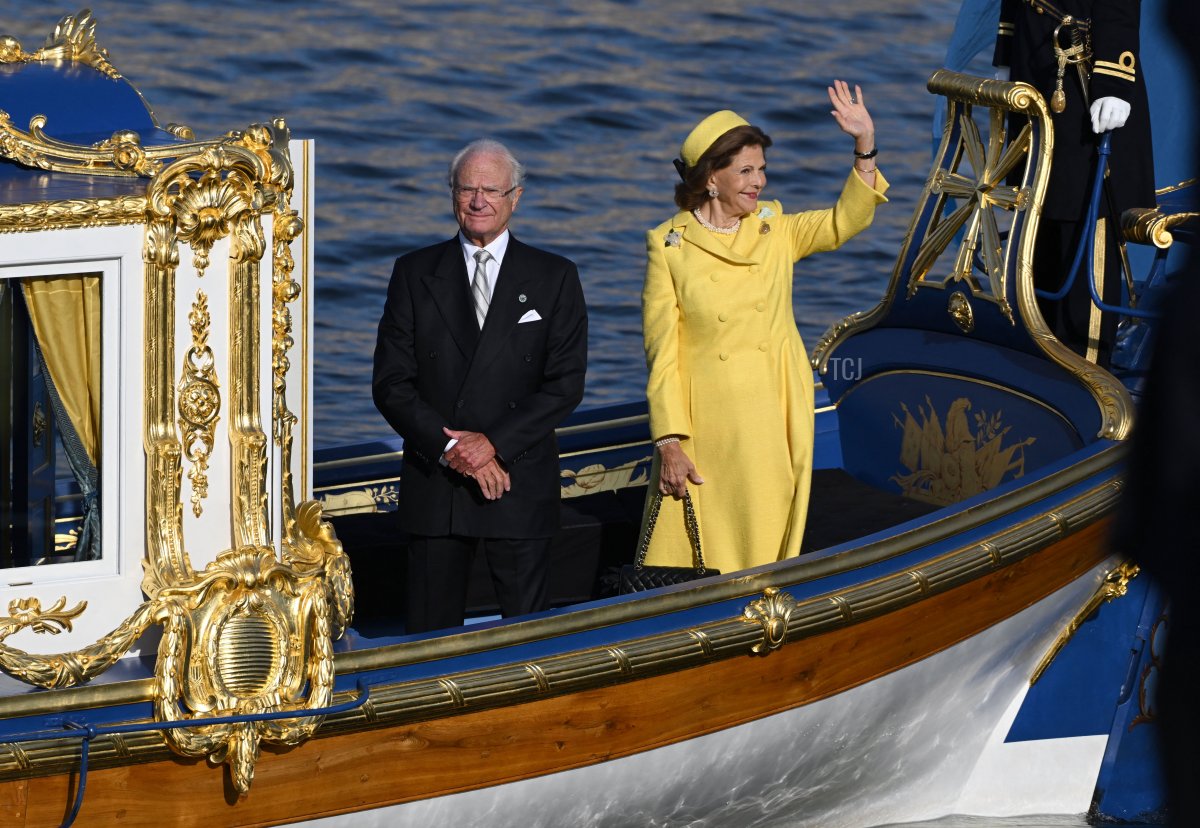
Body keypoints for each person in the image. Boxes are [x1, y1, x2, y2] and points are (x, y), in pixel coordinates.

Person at [640, 82, 888, 573]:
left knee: (764, 537)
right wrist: (670, 440)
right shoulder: (668, 246)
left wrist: (864, 145)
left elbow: (846, 221)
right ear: (711, 177)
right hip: (706, 423)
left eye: (762, 170)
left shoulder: (775, 230)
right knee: (699, 547)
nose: (759, 182)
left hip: (771, 412)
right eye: (746, 171)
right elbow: (662, 352)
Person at [372, 139, 588, 633]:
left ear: (516, 196)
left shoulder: (554, 276)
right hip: (438, 482)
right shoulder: (414, 272)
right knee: (430, 639)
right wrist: (452, 447)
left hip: (517, 477)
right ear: (452, 194)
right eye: (467, 188)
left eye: (491, 189)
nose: (478, 200)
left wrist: (492, 446)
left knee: (526, 639)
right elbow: (391, 383)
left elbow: (565, 385)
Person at [993, 0, 1155, 366]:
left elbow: (1119, 10)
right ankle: (1036, 350)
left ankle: (1086, 368)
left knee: (1084, 214)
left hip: (1084, 82)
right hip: (1033, 75)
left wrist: (1114, 79)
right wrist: (1007, 52)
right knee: (1038, 213)